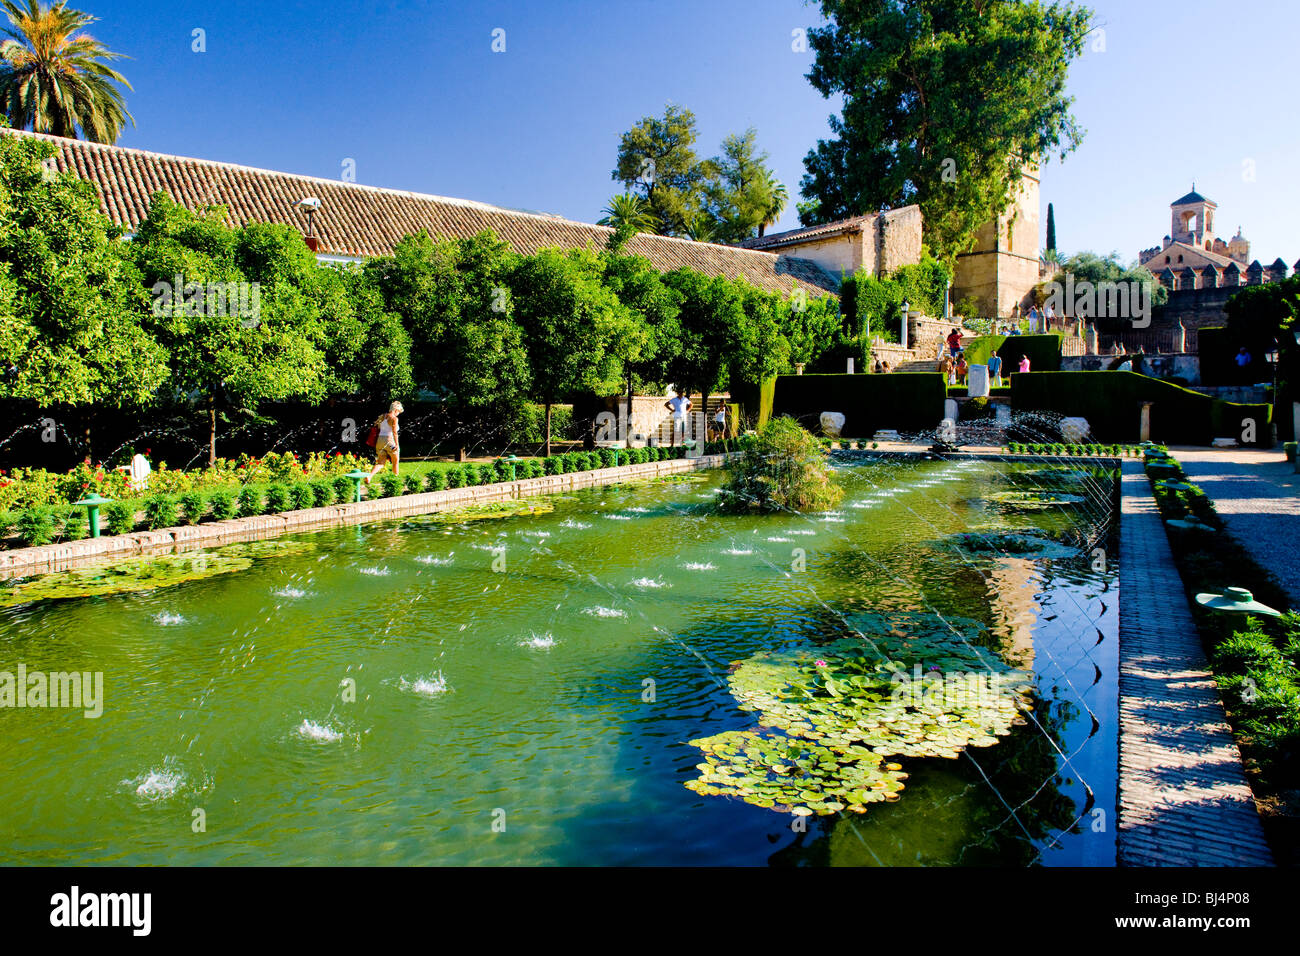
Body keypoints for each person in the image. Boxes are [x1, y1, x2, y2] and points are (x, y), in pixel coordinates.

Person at [366, 401, 403, 483]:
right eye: (399, 412)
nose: (398, 414)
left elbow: (376, 426)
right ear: (396, 410)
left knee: (381, 463)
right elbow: (394, 432)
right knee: (395, 462)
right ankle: (395, 482)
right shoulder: (394, 418)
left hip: (379, 441)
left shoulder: (382, 416)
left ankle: (370, 476)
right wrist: (397, 445)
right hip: (389, 440)